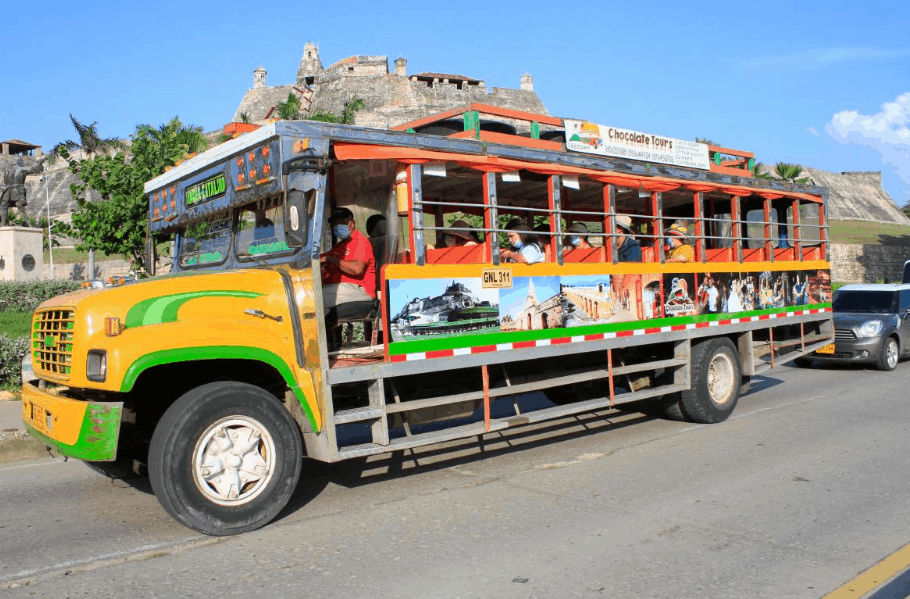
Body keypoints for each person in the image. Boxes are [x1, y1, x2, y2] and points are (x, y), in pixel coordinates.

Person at [320, 208, 376, 317]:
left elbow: (357, 269)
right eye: (335, 225)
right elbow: (323, 258)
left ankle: (320, 332)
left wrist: (332, 260)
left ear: (352, 223)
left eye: (341, 223)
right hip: (343, 288)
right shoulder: (341, 245)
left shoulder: (360, 241)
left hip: (360, 289)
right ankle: (329, 332)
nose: (337, 227)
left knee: (316, 298)